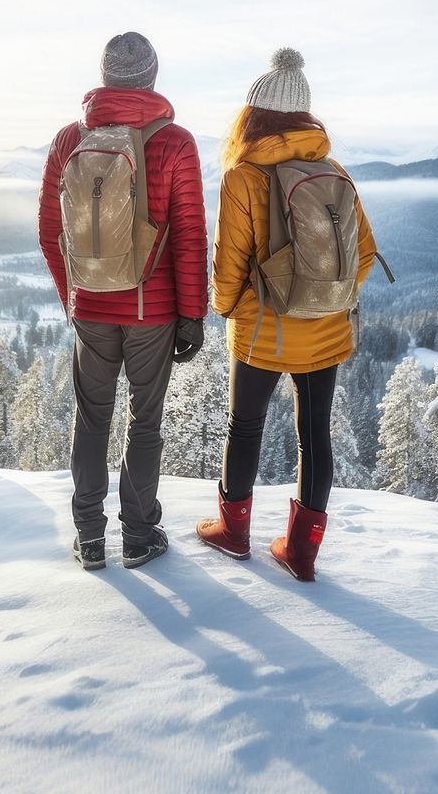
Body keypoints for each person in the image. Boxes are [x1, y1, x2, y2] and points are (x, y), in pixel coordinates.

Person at [196, 47, 377, 581]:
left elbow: (230, 261)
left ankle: (233, 532)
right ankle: (301, 552)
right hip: (327, 328)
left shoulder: (243, 176)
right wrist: (327, 296)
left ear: (252, 116)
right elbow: (364, 252)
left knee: (244, 426)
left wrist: (227, 309)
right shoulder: (333, 170)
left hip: (263, 328)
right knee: (315, 433)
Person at [39, 32, 208, 571]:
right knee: (145, 421)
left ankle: (89, 536)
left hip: (91, 307)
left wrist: (75, 294)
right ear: (152, 78)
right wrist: (192, 315)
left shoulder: (71, 138)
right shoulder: (175, 141)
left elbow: (50, 229)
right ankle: (138, 535)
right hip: (151, 311)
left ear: (106, 76)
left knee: (91, 420)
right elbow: (188, 234)